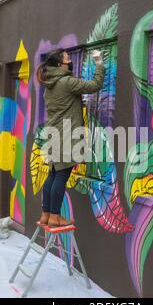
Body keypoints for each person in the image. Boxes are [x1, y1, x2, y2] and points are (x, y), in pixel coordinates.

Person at [36, 48, 105, 227]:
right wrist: (99, 63)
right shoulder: (67, 81)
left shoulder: (50, 84)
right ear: (60, 64)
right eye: (67, 58)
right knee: (62, 175)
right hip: (66, 135)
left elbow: (63, 103)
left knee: (53, 173)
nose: (70, 60)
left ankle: (46, 214)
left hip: (54, 134)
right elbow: (94, 85)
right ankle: (55, 216)